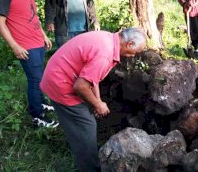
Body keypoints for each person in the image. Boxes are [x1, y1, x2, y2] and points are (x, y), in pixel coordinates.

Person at [40, 28, 147, 171]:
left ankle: (81, 145)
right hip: (60, 83)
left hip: (60, 73)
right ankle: (90, 167)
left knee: (83, 123)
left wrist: (97, 100)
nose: (134, 55)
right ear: (129, 43)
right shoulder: (105, 55)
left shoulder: (107, 39)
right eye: (136, 52)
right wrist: (97, 105)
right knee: (86, 126)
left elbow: (92, 78)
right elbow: (80, 86)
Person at [0, 0, 58, 128]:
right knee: (35, 79)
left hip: (37, 41)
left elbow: (33, 16)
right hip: (24, 45)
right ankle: (37, 115)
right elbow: (0, 23)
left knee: (40, 77)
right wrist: (15, 46)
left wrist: (44, 35)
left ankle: (41, 102)